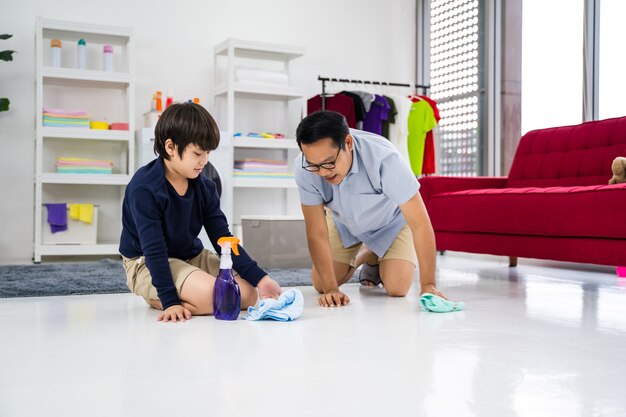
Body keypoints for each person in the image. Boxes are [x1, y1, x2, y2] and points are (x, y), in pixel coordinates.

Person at [120, 102, 282, 322]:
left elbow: (223, 239)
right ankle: (160, 296)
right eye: (197, 152)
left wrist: (261, 278)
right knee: (215, 296)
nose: (204, 160)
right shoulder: (145, 189)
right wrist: (170, 302)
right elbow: (154, 249)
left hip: (191, 256)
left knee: (249, 294)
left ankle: (192, 291)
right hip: (147, 262)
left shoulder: (204, 186)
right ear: (170, 147)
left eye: (207, 152)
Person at [294, 110, 447, 307]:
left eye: (329, 163)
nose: (322, 172)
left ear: (348, 143)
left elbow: (420, 223)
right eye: (314, 166)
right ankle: (369, 253)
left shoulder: (385, 159)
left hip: (392, 223)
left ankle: (375, 252)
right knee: (320, 283)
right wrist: (331, 289)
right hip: (345, 223)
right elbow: (316, 231)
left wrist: (428, 285)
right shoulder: (305, 167)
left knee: (397, 287)